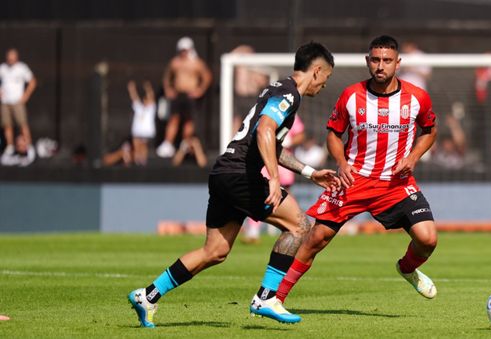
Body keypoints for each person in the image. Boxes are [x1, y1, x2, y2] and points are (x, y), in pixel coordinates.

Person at [127, 41, 340, 327]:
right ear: (316, 71)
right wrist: (274, 179)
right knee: (299, 225)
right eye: (325, 79)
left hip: (223, 173)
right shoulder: (289, 93)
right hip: (241, 173)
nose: (323, 86)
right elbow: (264, 130)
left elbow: (270, 143)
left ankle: (148, 295)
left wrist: (309, 172)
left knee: (214, 251)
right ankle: (266, 297)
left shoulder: (276, 90)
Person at [272, 36, 439, 321]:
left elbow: (430, 130)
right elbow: (334, 134)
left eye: (387, 60)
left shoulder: (417, 97)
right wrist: (341, 162)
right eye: (375, 60)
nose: (380, 66)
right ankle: (274, 299)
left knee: (428, 240)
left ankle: (407, 268)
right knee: (315, 239)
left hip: (395, 184)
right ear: (367, 61)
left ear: (398, 63)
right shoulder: (351, 95)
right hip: (354, 181)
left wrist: (412, 158)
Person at [241, 114, 305, 244]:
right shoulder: (264, 114)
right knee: (260, 193)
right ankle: (253, 230)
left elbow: (301, 134)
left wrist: (290, 141)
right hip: (266, 160)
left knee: (286, 194)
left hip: (284, 161)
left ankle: (288, 226)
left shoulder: (291, 115)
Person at [156, 37, 212, 158]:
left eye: (186, 50)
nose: (184, 52)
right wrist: (168, 90)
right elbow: (167, 77)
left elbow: (207, 76)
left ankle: (185, 143)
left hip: (190, 96)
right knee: (173, 119)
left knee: (189, 120)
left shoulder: (197, 63)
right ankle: (167, 144)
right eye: (182, 50)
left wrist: (200, 90)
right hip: (177, 95)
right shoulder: (175, 62)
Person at [0, 48, 37, 156]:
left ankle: (29, 147)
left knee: (22, 124)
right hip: (5, 102)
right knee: (7, 125)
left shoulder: (22, 68)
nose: (10, 59)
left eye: (12, 57)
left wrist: (25, 96)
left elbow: (32, 82)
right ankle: (10, 146)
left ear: (16, 58)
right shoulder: (2, 68)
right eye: (9, 57)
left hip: (17, 102)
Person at [127, 80, 156, 166]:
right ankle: (136, 162)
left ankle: (143, 163)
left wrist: (148, 88)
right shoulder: (139, 108)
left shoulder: (151, 109)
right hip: (137, 131)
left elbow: (151, 97)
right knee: (136, 147)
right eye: (145, 100)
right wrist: (132, 89)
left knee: (143, 147)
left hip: (146, 132)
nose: (147, 101)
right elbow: (134, 98)